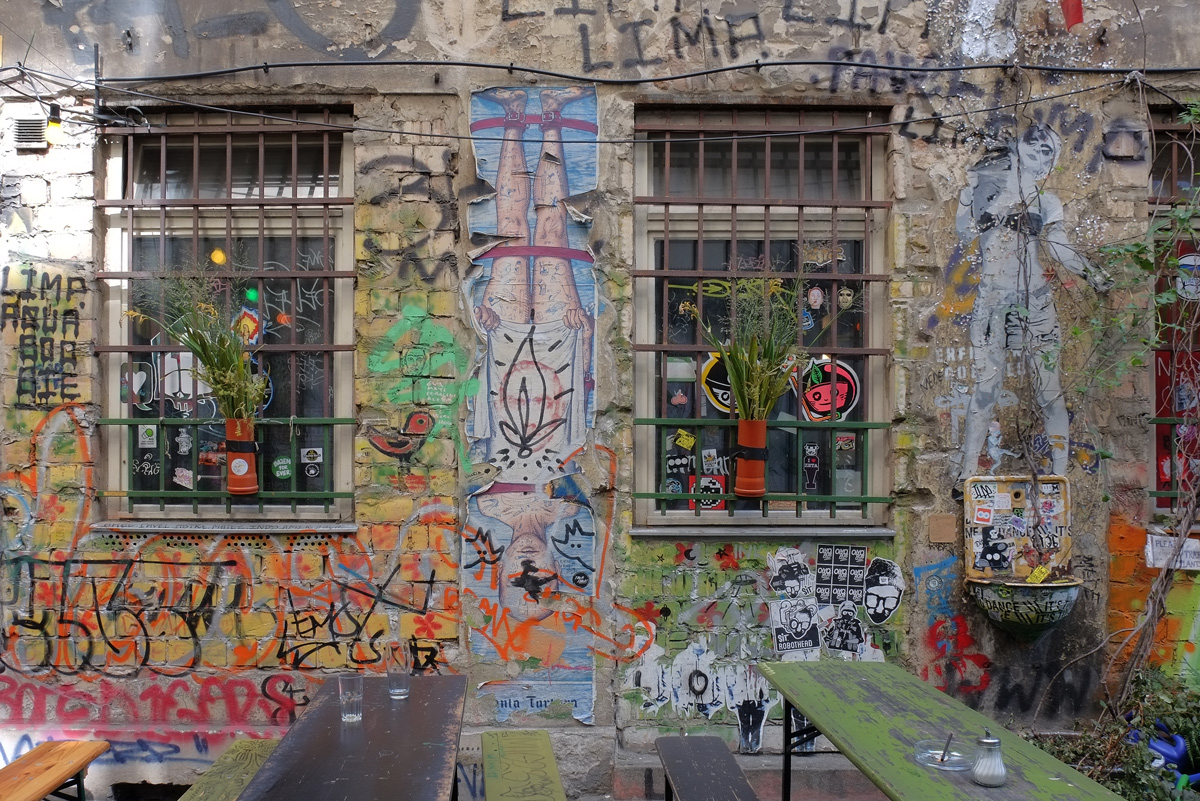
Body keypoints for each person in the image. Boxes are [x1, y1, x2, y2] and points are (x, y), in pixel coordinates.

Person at [951, 124, 1112, 493]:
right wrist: (970, 195)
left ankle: (1058, 476)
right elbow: (964, 235)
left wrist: (1093, 274)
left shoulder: (1046, 202)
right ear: (1018, 150)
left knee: (1049, 391)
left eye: (1048, 150)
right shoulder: (982, 192)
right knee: (986, 390)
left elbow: (1058, 248)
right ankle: (967, 473)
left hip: (1035, 303)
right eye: (1033, 146)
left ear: (1054, 160)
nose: (1040, 153)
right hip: (991, 302)